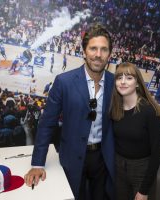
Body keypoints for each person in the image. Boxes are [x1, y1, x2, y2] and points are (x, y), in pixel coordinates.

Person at [24, 23, 115, 200]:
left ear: (109, 55)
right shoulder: (63, 82)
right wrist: (37, 163)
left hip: (103, 159)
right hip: (72, 156)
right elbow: (47, 123)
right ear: (84, 52)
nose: (98, 54)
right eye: (93, 48)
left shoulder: (115, 83)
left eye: (103, 49)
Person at [110, 62, 160, 200]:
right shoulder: (115, 108)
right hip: (119, 168)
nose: (122, 82)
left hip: (142, 171)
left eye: (128, 78)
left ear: (138, 83)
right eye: (119, 77)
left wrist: (144, 190)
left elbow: (156, 154)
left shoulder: (150, 111)